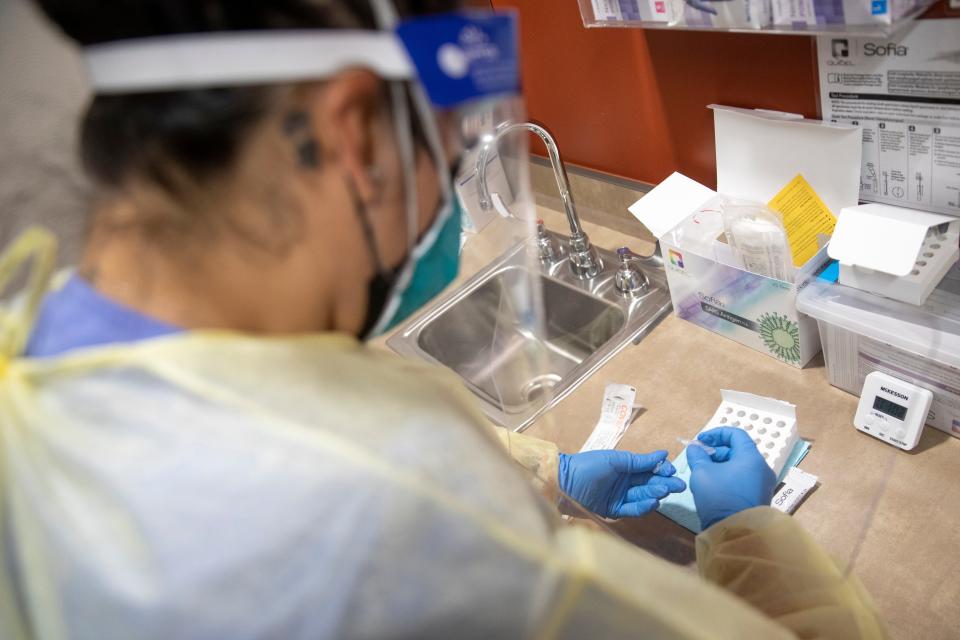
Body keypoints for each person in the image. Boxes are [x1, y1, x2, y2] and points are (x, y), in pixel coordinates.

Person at [0, 1, 887, 638]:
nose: (454, 198)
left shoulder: (37, 350)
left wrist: (549, 476)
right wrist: (751, 537)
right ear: (356, 132)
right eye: (457, 143)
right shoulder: (393, 516)